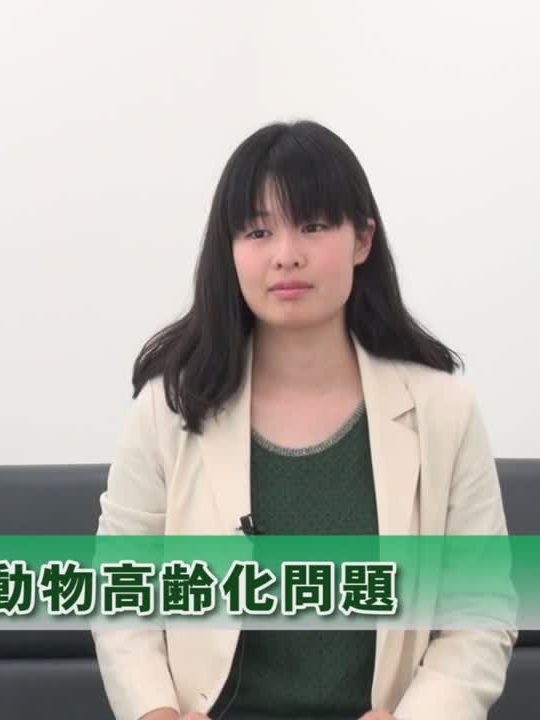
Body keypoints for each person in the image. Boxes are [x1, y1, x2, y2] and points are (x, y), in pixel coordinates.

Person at [92, 120, 516, 720]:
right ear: (230, 251)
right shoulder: (169, 410)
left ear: (362, 240)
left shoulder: (444, 411)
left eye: (313, 226)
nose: (286, 254)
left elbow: (479, 615)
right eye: (258, 231)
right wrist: (156, 713)